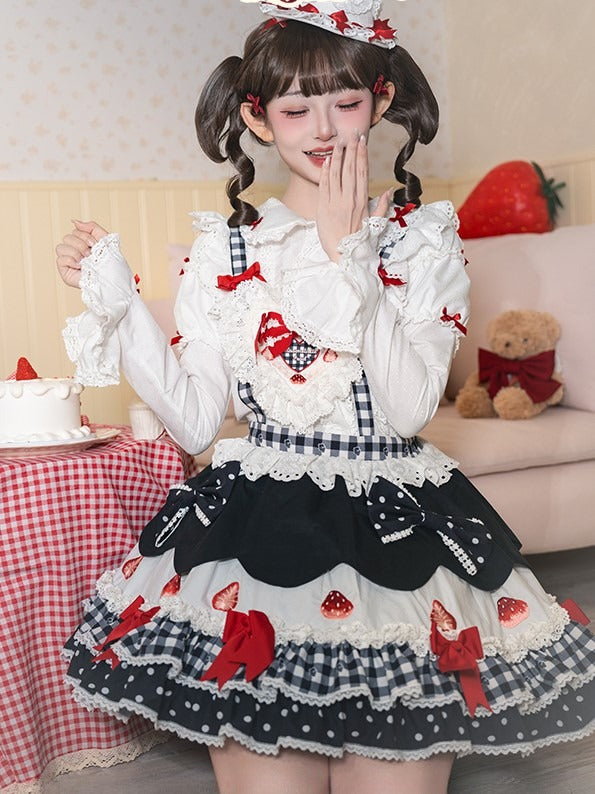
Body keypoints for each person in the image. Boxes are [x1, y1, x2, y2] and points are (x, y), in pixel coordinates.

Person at [55, 2, 595, 793]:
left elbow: (408, 411)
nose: (322, 130)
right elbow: (195, 421)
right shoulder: (224, 250)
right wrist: (121, 308)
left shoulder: (422, 242)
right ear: (256, 117)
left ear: (380, 101)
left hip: (396, 530)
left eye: (344, 103)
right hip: (256, 530)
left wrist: (354, 259)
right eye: (293, 109)